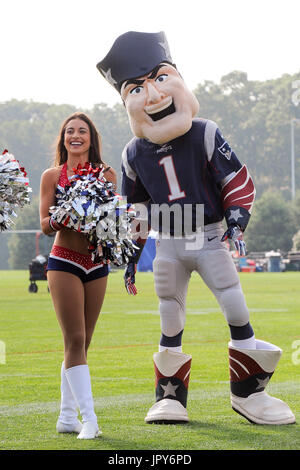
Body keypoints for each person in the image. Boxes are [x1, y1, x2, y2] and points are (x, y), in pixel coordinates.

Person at [96, 31, 295, 426]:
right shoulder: (133, 152)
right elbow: (135, 208)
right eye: (137, 88)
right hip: (168, 239)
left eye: (160, 78)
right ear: (126, 100)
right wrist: (132, 254)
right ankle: (169, 399)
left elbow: (233, 178)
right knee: (169, 315)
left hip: (207, 234)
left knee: (235, 306)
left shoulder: (204, 131)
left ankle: (249, 394)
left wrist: (237, 220)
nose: (152, 96)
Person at [39, 112, 117, 439]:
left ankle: (66, 417)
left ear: (91, 138)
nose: (76, 136)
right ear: (63, 139)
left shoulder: (107, 174)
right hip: (65, 261)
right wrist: (65, 214)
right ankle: (90, 420)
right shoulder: (52, 176)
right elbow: (44, 224)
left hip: (96, 264)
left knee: (83, 342)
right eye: (70, 131)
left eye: (82, 131)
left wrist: (99, 217)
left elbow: (113, 222)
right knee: (74, 339)